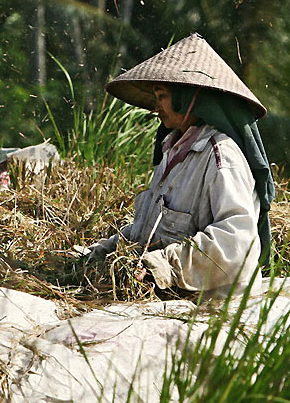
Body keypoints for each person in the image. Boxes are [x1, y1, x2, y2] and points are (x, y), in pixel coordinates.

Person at [89, 33, 275, 299]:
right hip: (168, 296)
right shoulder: (171, 151)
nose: (156, 108)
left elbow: (236, 242)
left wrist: (166, 265)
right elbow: (150, 230)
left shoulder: (221, 157)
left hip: (213, 306)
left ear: (189, 98)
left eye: (162, 96)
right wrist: (104, 252)